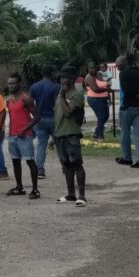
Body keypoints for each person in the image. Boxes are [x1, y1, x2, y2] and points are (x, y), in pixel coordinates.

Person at [51, 66, 87, 207]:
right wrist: (54, 136)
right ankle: (71, 194)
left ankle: (82, 195)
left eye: (64, 77)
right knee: (66, 166)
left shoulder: (76, 94)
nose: (62, 80)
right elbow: (58, 117)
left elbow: (67, 113)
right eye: (61, 77)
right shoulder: (60, 96)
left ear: (72, 79)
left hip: (71, 134)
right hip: (60, 134)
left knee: (76, 164)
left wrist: (62, 96)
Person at [6, 74, 41, 200]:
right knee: (15, 162)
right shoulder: (9, 100)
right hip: (13, 136)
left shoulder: (26, 99)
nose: (11, 86)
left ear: (19, 84)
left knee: (30, 161)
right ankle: (19, 187)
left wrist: (24, 129)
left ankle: (35, 189)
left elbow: (37, 117)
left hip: (25, 136)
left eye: (13, 83)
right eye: (9, 83)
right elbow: (11, 118)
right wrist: (10, 133)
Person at [116, 55, 139, 169]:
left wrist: (132, 98)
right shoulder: (138, 71)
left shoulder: (123, 73)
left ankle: (127, 158)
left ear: (123, 63)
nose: (116, 66)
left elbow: (125, 90)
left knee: (125, 133)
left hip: (127, 107)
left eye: (118, 63)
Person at [29, 66, 60, 179]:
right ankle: (65, 168)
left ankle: (40, 170)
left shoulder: (34, 87)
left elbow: (30, 103)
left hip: (40, 119)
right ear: (52, 74)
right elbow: (59, 105)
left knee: (41, 145)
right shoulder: (56, 87)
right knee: (59, 144)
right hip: (53, 118)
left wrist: (35, 116)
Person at [84, 62, 110, 143]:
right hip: (94, 99)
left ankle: (96, 131)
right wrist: (107, 89)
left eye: (94, 67)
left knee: (106, 116)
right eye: (91, 68)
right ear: (88, 69)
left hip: (104, 98)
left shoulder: (99, 74)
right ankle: (100, 136)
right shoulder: (88, 77)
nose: (93, 69)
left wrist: (108, 94)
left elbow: (107, 82)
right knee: (101, 117)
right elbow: (95, 89)